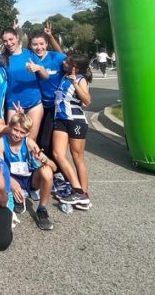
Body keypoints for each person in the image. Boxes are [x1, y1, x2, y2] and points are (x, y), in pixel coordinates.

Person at [0, 108, 58, 230]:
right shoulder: (1, 143)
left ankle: (42, 209)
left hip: (30, 179)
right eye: (15, 130)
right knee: (1, 179)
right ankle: (17, 196)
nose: (17, 135)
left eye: (22, 132)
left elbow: (54, 167)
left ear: (27, 133)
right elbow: (0, 167)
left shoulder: (29, 143)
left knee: (47, 170)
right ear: (10, 127)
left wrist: (42, 159)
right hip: (12, 177)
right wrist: (11, 182)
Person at [52, 54, 93, 208]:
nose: (64, 62)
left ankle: (84, 194)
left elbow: (87, 101)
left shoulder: (81, 79)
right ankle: (78, 190)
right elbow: (59, 51)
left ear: (74, 67)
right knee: (58, 154)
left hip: (76, 121)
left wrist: (75, 83)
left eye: (67, 62)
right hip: (61, 119)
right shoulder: (65, 76)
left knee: (77, 157)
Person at [28, 23, 66, 159]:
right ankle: (39, 169)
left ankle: (56, 172)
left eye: (42, 44)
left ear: (47, 44)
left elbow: (65, 57)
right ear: (30, 46)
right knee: (37, 139)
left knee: (48, 142)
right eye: (35, 45)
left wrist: (51, 36)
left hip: (56, 106)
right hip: (38, 105)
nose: (39, 47)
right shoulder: (31, 58)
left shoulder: (56, 57)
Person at [1, 28, 45, 142]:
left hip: (34, 104)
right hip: (13, 105)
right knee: (12, 139)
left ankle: (29, 160)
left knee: (30, 140)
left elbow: (46, 76)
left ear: (17, 38)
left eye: (11, 39)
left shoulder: (30, 54)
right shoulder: (2, 59)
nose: (9, 43)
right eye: (5, 41)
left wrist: (38, 68)